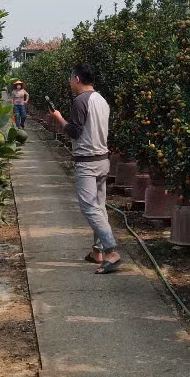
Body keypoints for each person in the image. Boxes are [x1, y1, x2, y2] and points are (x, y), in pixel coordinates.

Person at [48, 62, 121, 274]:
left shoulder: (81, 100)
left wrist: (59, 118)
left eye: (71, 79)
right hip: (102, 160)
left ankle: (111, 250)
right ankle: (98, 252)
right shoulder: (101, 100)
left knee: (89, 207)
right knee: (99, 207)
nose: (70, 82)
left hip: (87, 162)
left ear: (77, 79)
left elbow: (75, 132)